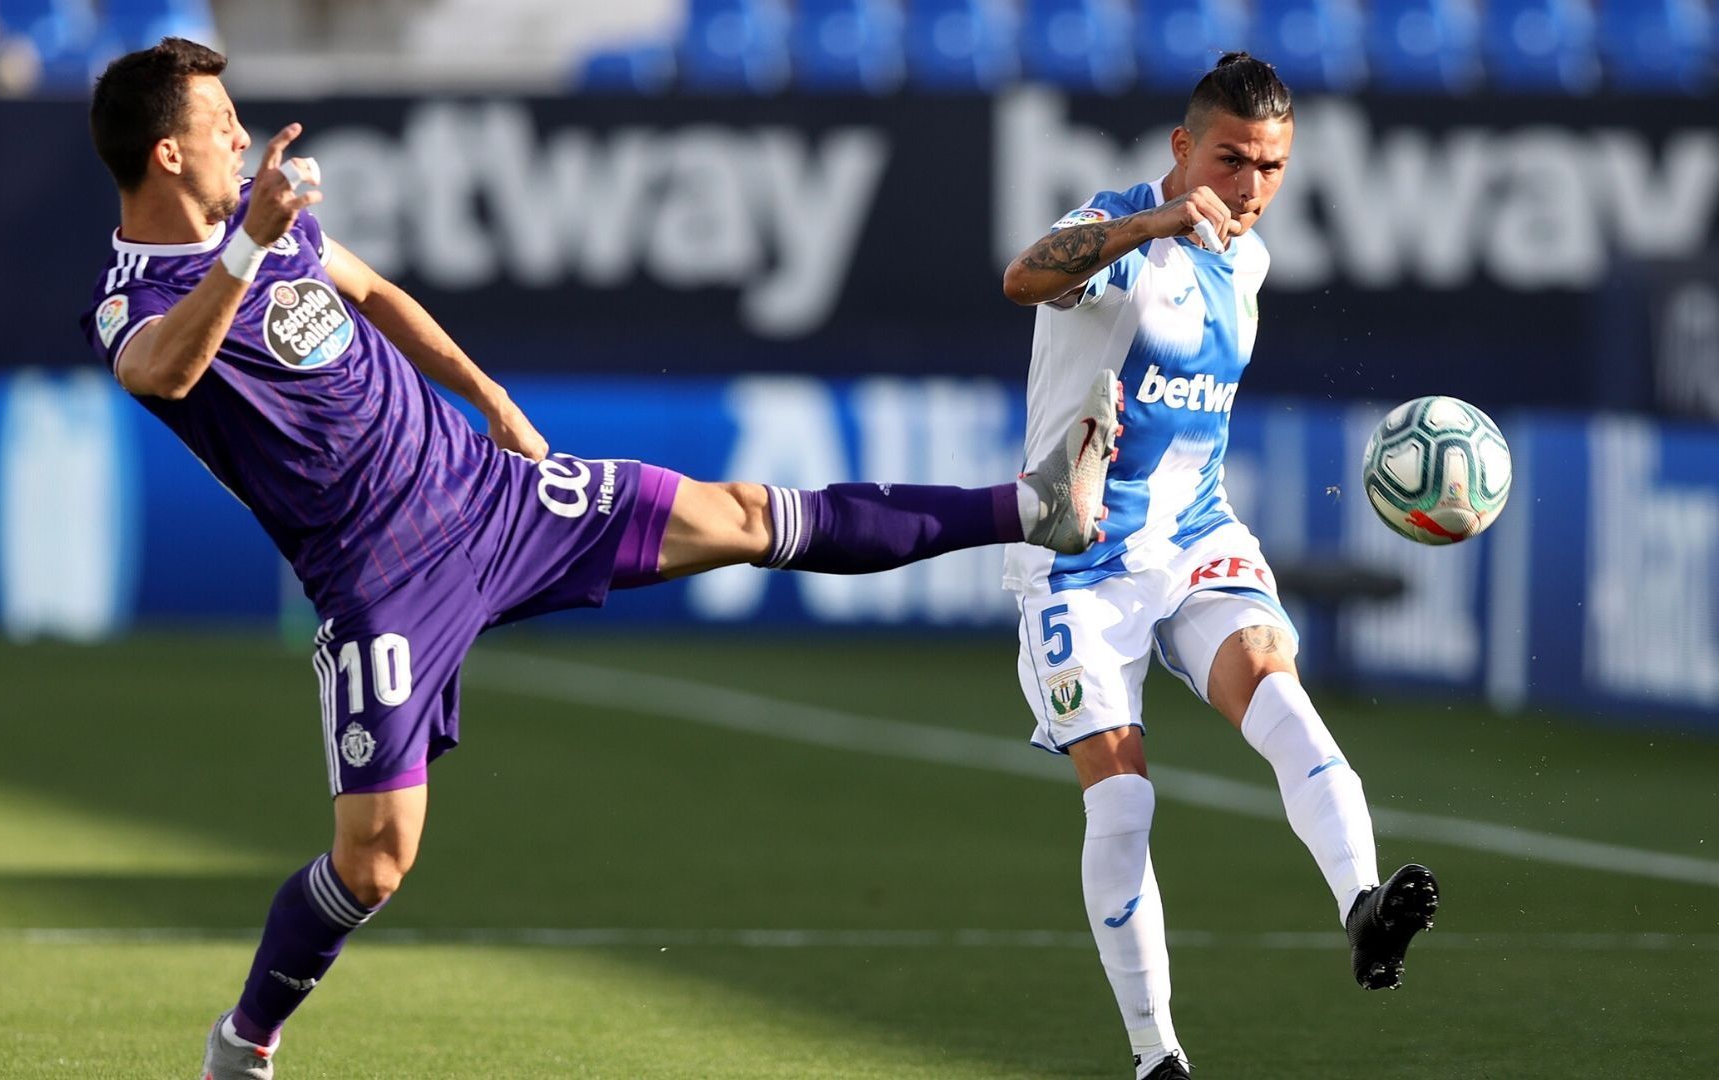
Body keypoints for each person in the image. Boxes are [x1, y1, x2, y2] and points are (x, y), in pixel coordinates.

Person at [78, 38, 1115, 1080]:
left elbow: (378, 294)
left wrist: (491, 401)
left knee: (747, 515)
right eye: (222, 125)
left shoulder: (272, 228)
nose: (243, 138)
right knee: (376, 860)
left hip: (493, 498)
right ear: (169, 155)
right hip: (377, 580)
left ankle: (1033, 509)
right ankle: (245, 1039)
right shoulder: (134, 298)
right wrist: (250, 248)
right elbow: (164, 373)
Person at [999, 53, 1439, 1080]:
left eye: (1272, 166)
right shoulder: (1117, 232)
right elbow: (1025, 275)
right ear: (1182, 148)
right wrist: (1153, 224)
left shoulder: (1250, 263)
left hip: (1195, 535)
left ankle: (1363, 906)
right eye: (1232, 158)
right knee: (1122, 801)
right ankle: (1157, 1056)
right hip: (1077, 562)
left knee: (1277, 689)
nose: (1250, 185)